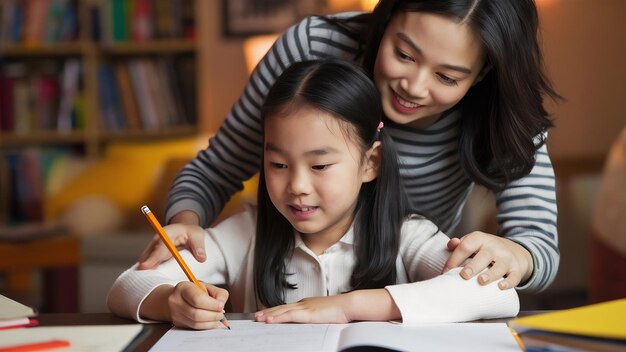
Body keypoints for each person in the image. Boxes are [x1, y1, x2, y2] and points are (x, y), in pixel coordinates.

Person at [140, 0, 560, 293]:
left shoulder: (503, 111)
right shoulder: (312, 50)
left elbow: (536, 245)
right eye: (404, 54)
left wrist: (515, 256)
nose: (413, 88)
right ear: (387, 15)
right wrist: (186, 225)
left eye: (448, 78)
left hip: (413, 296)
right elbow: (216, 170)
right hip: (283, 282)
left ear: (484, 72)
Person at [107, 59, 519, 329]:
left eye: (320, 165)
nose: (297, 185)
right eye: (278, 165)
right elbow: (127, 285)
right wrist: (172, 300)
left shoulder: (407, 235)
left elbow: (493, 292)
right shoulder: (246, 234)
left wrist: (350, 306)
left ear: (369, 163)